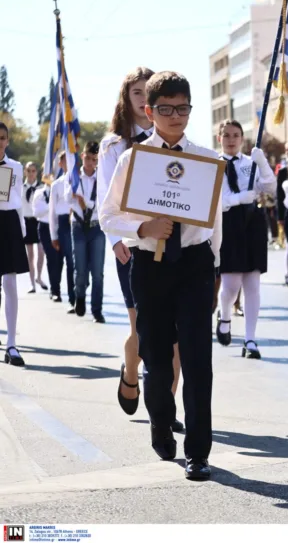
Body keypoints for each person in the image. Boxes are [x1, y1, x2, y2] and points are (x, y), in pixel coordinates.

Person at [98, 71, 220, 481]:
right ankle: (160, 419)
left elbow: (213, 222)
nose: (175, 116)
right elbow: (108, 214)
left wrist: (214, 269)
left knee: (198, 361)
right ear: (148, 112)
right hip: (149, 266)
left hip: (195, 266)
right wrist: (142, 229)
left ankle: (198, 452)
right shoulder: (134, 159)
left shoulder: (206, 160)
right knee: (157, 359)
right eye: (165, 109)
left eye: (182, 108)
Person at [97, 67, 183, 426]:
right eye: (136, 92)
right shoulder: (114, 145)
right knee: (144, 329)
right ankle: (131, 370)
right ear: (127, 98)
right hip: (132, 246)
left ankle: (165, 406)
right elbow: (107, 200)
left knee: (175, 330)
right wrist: (117, 241)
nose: (143, 98)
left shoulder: (175, 142)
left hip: (173, 245)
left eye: (148, 92)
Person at [215, 120, 276, 358]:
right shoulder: (213, 165)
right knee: (230, 286)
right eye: (227, 135)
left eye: (236, 135)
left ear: (242, 139)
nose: (231, 139)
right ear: (220, 138)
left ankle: (250, 339)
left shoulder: (250, 164)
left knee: (252, 284)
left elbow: (270, 187)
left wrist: (262, 162)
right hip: (228, 223)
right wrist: (239, 198)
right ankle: (225, 315)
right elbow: (216, 201)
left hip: (252, 223)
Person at [0, 122, 30, 367]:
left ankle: (11, 343)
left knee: (10, 282)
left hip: (9, 222)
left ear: (7, 141)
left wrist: (20, 229)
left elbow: (18, 199)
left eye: (2, 138)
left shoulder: (16, 168)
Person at [68, 141, 106, 323]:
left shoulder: (102, 179)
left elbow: (102, 203)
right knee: (80, 268)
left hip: (96, 226)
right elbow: (68, 198)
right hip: (78, 226)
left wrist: (85, 202)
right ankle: (80, 296)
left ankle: (97, 310)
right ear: (81, 156)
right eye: (86, 158)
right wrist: (76, 198)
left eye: (93, 159)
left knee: (97, 272)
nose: (89, 162)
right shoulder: (75, 177)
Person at [48, 152, 76, 313]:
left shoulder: (78, 180)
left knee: (76, 264)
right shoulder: (57, 184)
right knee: (65, 262)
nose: (70, 162)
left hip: (78, 221)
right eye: (66, 160)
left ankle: (75, 295)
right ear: (61, 164)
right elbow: (52, 212)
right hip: (64, 223)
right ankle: (62, 294)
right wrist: (54, 235)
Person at [31, 176, 62, 303]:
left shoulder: (61, 188)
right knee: (51, 257)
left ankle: (56, 286)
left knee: (59, 259)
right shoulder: (39, 193)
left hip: (59, 226)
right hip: (44, 227)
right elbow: (36, 212)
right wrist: (51, 207)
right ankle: (55, 290)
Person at [21, 162, 45, 293]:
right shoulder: (20, 188)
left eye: (33, 171)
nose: (31, 173)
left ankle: (39, 277)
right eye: (28, 171)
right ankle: (32, 284)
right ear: (25, 171)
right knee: (30, 255)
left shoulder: (41, 188)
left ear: (37, 172)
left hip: (38, 221)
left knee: (41, 252)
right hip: (26, 222)